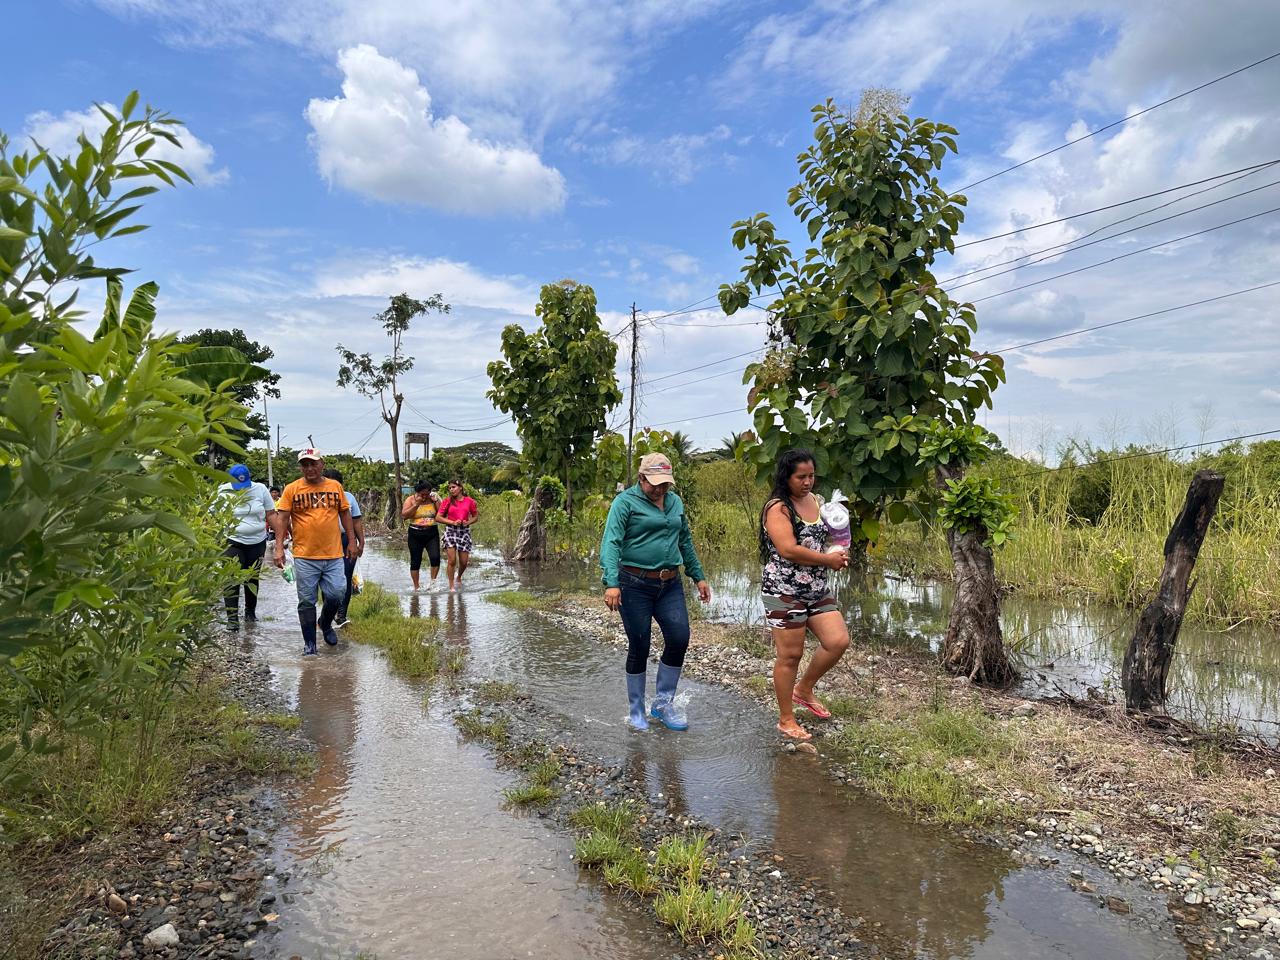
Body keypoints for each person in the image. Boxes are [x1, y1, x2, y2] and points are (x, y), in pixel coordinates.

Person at [599, 453, 711, 732]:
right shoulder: (625, 503)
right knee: (640, 644)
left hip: (669, 583)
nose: (660, 489)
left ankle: (662, 705)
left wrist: (698, 575)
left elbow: (684, 540)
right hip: (633, 583)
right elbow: (611, 543)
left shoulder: (675, 502)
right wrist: (611, 582)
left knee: (679, 638)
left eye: (665, 484)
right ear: (641, 478)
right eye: (654, 483)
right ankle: (637, 710)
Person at [760, 449, 851, 740]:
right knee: (790, 656)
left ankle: (804, 689)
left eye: (811, 476)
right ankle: (786, 719)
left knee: (837, 641)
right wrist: (827, 560)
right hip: (784, 590)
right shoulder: (778, 508)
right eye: (801, 477)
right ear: (786, 477)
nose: (807, 482)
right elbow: (788, 549)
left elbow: (828, 537)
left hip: (816, 588)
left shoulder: (817, 501)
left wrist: (838, 551)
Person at [273, 449, 358, 655]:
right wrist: (278, 547)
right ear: (300, 467)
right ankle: (310, 645)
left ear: (322, 464)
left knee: (337, 593)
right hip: (305, 555)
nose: (309, 468)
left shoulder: (335, 486)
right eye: (305, 464)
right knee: (306, 600)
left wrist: (352, 541)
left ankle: (325, 623)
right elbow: (282, 519)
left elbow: (345, 514)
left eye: (313, 463)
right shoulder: (292, 489)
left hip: (334, 554)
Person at [216, 463, 276, 630]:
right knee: (231, 579)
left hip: (257, 542)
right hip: (232, 541)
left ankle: (250, 613)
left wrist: (280, 540)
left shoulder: (260, 489)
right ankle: (232, 619)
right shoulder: (222, 491)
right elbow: (212, 517)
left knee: (252, 577)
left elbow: (271, 514)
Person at [323, 468, 365, 626]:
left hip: (347, 540)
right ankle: (327, 616)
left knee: (345, 577)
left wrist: (361, 542)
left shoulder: (349, 497)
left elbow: (356, 521)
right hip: (326, 541)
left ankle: (341, 615)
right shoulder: (318, 499)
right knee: (326, 579)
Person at [436, 479, 478, 592]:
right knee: (452, 560)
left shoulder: (469, 501)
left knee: (464, 562)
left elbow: (475, 516)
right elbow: (438, 517)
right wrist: (452, 522)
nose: (451, 489)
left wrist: (467, 522)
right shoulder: (447, 501)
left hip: (464, 532)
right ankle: (451, 586)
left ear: (460, 488)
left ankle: (458, 577)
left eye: (453, 487)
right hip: (450, 531)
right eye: (450, 488)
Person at [401, 480, 442, 590]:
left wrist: (436, 501)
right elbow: (404, 516)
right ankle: (416, 587)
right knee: (415, 561)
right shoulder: (410, 500)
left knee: (435, 557)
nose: (424, 497)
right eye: (421, 494)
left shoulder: (433, 499)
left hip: (431, 532)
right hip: (415, 533)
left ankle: (432, 584)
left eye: (426, 494)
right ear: (417, 492)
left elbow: (442, 514)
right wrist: (416, 505)